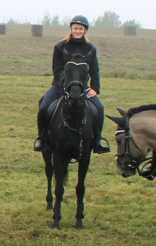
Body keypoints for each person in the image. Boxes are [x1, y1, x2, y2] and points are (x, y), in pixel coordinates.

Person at [33, 15, 110, 153]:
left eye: (80, 28)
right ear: (71, 29)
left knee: (100, 108)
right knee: (44, 106)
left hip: (82, 88)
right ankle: (42, 138)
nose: (77, 31)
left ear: (85, 30)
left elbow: (94, 69)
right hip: (60, 86)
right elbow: (56, 68)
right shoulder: (60, 46)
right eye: (75, 28)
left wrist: (95, 88)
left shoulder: (90, 48)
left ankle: (97, 141)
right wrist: (62, 85)